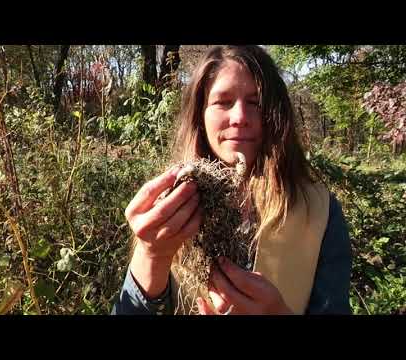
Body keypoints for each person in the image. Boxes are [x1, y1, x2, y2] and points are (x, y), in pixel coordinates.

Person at [111, 45, 352, 315]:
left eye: (255, 103)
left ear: (276, 113)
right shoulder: (167, 205)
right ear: (200, 115)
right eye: (223, 102)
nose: (239, 118)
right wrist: (150, 254)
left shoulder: (320, 211)